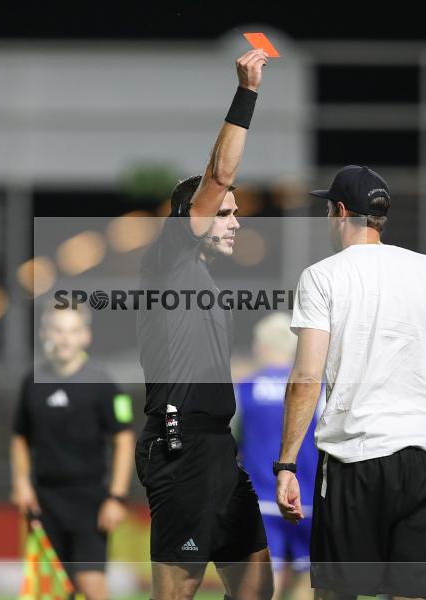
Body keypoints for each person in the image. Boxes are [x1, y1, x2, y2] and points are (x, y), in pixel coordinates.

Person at [275, 165, 426, 600]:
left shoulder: (322, 276)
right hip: (423, 460)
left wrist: (287, 464)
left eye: (328, 210)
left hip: (355, 460)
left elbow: (306, 378)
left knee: (336, 593)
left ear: (341, 211)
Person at [134, 49, 274, 600]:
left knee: (256, 586)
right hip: (180, 446)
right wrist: (247, 93)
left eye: (236, 211)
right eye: (224, 212)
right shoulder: (169, 258)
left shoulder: (207, 280)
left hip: (218, 448)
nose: (234, 219)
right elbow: (219, 173)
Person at [10, 305, 136, 600]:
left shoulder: (103, 383)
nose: (65, 339)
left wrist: (117, 497)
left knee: (91, 584)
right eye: (58, 330)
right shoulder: (32, 382)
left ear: (86, 337)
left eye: (73, 331)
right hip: (45, 501)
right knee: (52, 589)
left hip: (90, 500)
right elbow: (19, 437)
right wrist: (21, 482)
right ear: (44, 334)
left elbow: (124, 439)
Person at [234, 313, 321, 600]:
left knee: (264, 582)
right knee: (305, 578)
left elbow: (231, 438)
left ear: (261, 347)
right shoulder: (314, 391)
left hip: (261, 498)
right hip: (306, 498)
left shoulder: (244, 388)